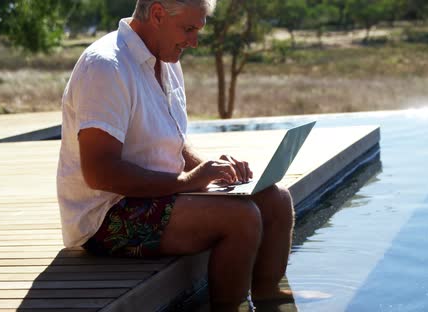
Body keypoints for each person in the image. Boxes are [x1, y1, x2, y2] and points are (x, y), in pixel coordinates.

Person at [56, 0, 295, 310]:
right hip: (106, 216)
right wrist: (187, 181)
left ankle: (270, 300)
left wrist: (213, 169)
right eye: (189, 29)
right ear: (157, 14)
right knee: (242, 218)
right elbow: (100, 172)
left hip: (161, 195)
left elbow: (171, 140)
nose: (194, 42)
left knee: (275, 198)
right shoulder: (106, 66)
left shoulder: (166, 60)